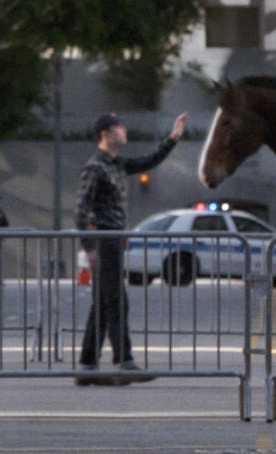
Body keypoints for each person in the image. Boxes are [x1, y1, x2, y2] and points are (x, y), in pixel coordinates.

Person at [74, 111, 187, 386]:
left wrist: (172, 139)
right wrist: (89, 246)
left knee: (102, 303)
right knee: (116, 302)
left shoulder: (116, 164)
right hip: (104, 241)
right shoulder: (96, 167)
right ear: (106, 133)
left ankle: (87, 366)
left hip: (114, 241)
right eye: (119, 127)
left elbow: (149, 161)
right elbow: (81, 209)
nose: (124, 131)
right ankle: (124, 362)